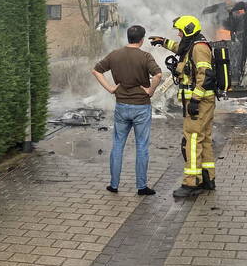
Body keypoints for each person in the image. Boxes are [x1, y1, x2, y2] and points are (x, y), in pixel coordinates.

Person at [150, 15, 216, 198]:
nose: (178, 34)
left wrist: (195, 100)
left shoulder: (199, 48)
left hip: (199, 102)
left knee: (192, 140)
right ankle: (207, 178)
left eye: (180, 31)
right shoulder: (193, 44)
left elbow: (206, 75)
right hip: (202, 101)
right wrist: (163, 42)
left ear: (188, 30)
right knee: (204, 138)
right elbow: (180, 49)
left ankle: (191, 183)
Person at [92, 25, 163, 195]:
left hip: (122, 106)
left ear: (128, 37)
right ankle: (141, 187)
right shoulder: (145, 56)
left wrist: (110, 88)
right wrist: (150, 91)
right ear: (142, 39)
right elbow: (158, 75)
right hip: (141, 107)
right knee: (142, 146)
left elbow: (96, 70)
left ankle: (114, 185)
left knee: (118, 145)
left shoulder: (115, 55)